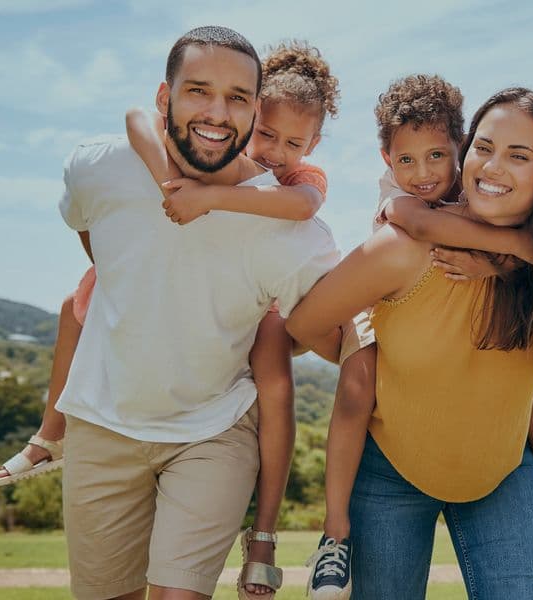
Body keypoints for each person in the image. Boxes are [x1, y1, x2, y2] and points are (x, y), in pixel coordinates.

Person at [305, 73, 533, 600]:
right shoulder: (409, 226)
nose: (493, 167)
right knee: (358, 390)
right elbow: (412, 228)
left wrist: (513, 257)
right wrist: (372, 361)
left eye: (519, 155)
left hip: (504, 471)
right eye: (486, 148)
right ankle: (335, 536)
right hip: (391, 471)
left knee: (529, 376)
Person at [57, 26, 338, 600]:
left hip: (212, 430)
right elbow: (90, 229)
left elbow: (333, 323)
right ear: (166, 98)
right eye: (198, 91)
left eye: (237, 97)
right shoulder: (98, 167)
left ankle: (264, 535)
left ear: (254, 108)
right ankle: (46, 436)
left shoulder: (287, 227)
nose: (217, 111)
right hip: (103, 421)